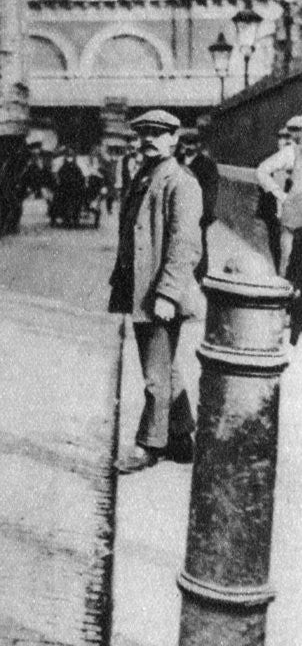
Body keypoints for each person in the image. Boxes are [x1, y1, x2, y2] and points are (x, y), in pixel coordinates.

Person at [109, 109, 202, 474]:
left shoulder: (181, 182)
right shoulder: (144, 175)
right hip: (140, 287)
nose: (149, 138)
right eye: (144, 132)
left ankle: (149, 445)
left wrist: (166, 293)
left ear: (174, 139)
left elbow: (185, 245)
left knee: (154, 373)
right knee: (164, 365)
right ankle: (180, 438)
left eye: (158, 133)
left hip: (158, 293)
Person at [255, 115, 302, 278]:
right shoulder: (291, 152)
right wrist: (280, 195)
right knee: (287, 264)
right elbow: (262, 170)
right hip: (293, 220)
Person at [177, 128, 219, 282]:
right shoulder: (176, 161)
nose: (187, 147)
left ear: (198, 145)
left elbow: (211, 190)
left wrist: (206, 213)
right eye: (185, 143)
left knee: (199, 244)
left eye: (191, 143)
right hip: (180, 210)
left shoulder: (207, 164)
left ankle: (199, 276)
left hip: (198, 212)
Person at [50, 148, 85, 228]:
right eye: (68, 155)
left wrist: (82, 184)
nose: (69, 157)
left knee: (79, 200)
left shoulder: (79, 163)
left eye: (71, 155)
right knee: (58, 200)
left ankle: (76, 218)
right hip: (64, 186)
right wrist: (58, 182)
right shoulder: (60, 162)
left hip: (75, 187)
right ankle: (64, 217)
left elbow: (83, 175)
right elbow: (56, 175)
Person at [120, 133, 142, 205]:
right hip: (127, 188)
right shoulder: (125, 159)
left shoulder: (141, 158)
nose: (135, 150)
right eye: (132, 148)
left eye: (137, 148)